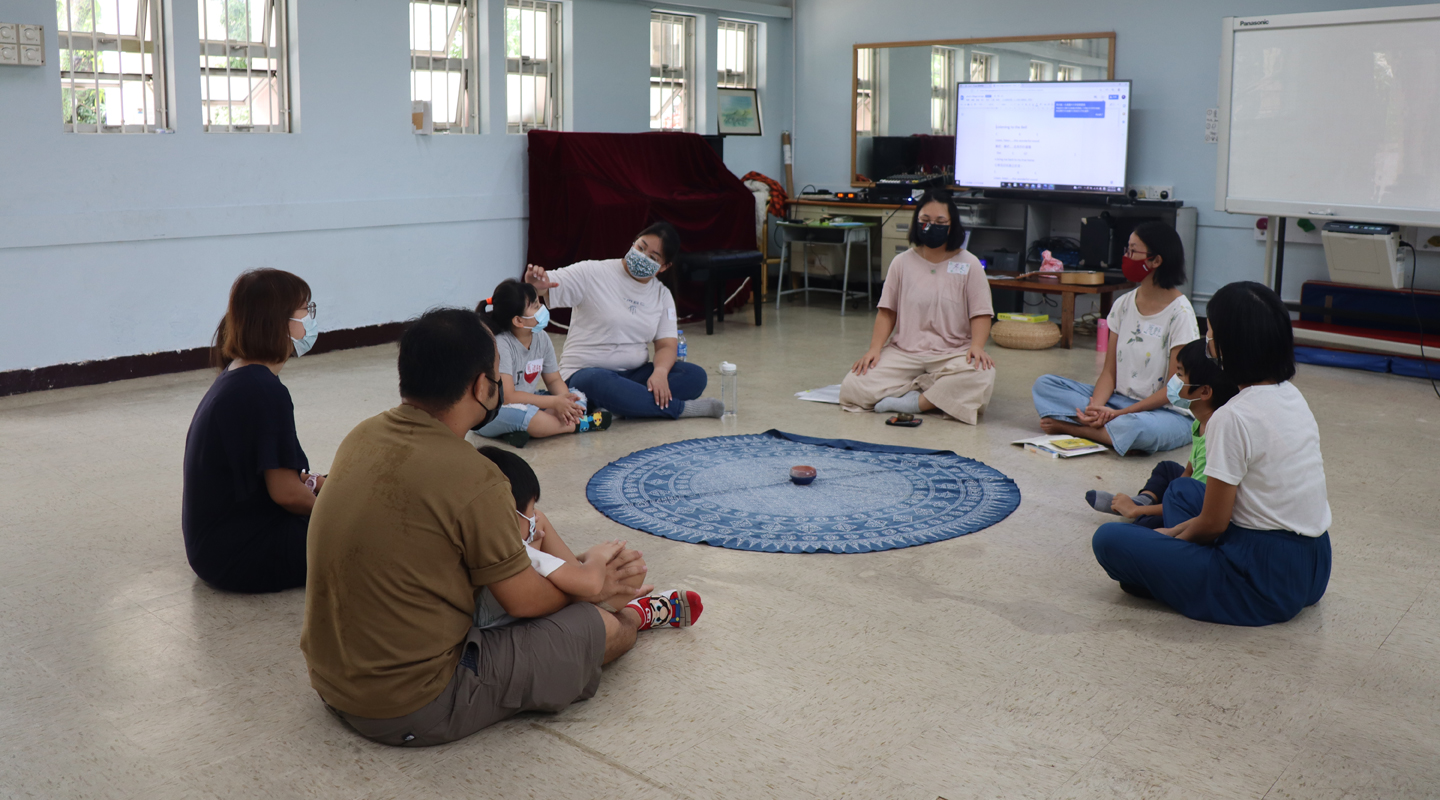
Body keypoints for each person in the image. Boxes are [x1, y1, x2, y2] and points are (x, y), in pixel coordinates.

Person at [301, 308, 679, 746]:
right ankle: (634, 615)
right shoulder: (473, 476)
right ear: (483, 386)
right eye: (498, 376)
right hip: (411, 705)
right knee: (602, 627)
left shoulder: (361, 435)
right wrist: (592, 584)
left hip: (332, 682)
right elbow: (526, 601)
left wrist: (583, 573)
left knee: (562, 593)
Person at [1091, 282, 1332, 626]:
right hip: (1314, 566)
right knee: (1185, 490)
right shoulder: (1290, 394)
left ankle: (1178, 575)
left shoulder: (1231, 416)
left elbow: (1212, 525)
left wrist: (1164, 538)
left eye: (1211, 337)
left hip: (1260, 580)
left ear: (1232, 347)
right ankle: (1170, 568)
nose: (1208, 346)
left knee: (1110, 540)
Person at [181, 268, 323, 593]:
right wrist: (336, 515)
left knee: (341, 492)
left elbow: (264, 468)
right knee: (366, 525)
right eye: (306, 309)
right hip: (243, 556)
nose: (310, 318)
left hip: (215, 549)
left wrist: (314, 483)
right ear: (280, 322)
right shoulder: (264, 391)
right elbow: (286, 494)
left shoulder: (239, 374)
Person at [472, 445, 702, 632]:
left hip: (507, 604)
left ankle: (614, 603)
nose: (533, 517)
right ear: (508, 515)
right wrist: (596, 558)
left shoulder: (479, 528)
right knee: (624, 581)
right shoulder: (513, 547)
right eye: (530, 510)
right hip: (506, 632)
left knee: (619, 574)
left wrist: (580, 568)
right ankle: (638, 613)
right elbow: (590, 584)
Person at [522, 221, 724, 420]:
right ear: (634, 242)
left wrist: (661, 372)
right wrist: (536, 284)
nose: (642, 257)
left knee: (695, 376)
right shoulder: (593, 272)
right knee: (597, 381)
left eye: (652, 257)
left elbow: (666, 345)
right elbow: (546, 285)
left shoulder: (662, 295)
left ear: (664, 267)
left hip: (635, 374)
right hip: (585, 373)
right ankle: (680, 409)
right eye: (641, 247)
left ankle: (621, 405)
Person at [1031, 221, 1199, 455]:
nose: (1126, 257)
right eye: (1126, 251)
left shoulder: (1180, 313)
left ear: (1156, 261)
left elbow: (1174, 389)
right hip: (1118, 401)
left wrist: (1120, 414)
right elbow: (1109, 372)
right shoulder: (1123, 304)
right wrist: (1097, 407)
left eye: (1133, 251)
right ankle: (1104, 429)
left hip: (1164, 413)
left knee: (1140, 430)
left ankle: (1074, 428)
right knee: (1045, 385)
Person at [839, 190, 997, 425]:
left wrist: (976, 346)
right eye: (925, 221)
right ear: (916, 222)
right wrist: (874, 349)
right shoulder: (901, 262)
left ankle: (914, 402)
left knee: (982, 375)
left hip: (952, 353)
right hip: (905, 352)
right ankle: (931, 393)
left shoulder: (970, 264)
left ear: (952, 225)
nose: (931, 227)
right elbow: (887, 311)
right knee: (853, 386)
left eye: (940, 222)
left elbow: (981, 313)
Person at [1085, 339, 1239, 527]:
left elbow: (1199, 503)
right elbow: (1188, 474)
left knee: (1143, 523)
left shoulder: (1216, 436)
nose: (1173, 380)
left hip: (1200, 507)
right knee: (1166, 469)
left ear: (1205, 392)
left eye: (1180, 375)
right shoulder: (1199, 422)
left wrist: (1137, 512)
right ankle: (1144, 499)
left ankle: (1140, 508)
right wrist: (1167, 497)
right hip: (1192, 492)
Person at [474, 279, 611, 448]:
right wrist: (555, 404)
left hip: (527, 404)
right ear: (518, 321)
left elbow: (553, 380)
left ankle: (525, 432)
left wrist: (566, 402)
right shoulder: (502, 344)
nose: (542, 310)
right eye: (536, 307)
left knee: (577, 397)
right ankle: (577, 425)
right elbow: (508, 396)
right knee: (523, 416)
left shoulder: (542, 338)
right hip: (496, 411)